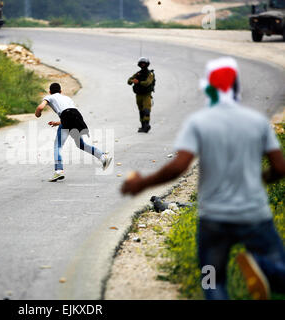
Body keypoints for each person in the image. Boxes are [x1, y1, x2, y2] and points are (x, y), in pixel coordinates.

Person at [121, 57, 285, 300]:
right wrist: (257, 178)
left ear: (208, 88)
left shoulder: (199, 123)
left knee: (211, 278)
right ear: (237, 87)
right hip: (254, 214)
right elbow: (280, 168)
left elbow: (178, 166)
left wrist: (141, 183)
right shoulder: (258, 122)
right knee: (279, 269)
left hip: (213, 220)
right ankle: (268, 270)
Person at [35, 83, 113, 182]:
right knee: (81, 144)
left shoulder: (49, 97)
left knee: (57, 146)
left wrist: (37, 113)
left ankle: (59, 171)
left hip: (67, 117)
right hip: (77, 117)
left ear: (50, 92)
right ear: (61, 91)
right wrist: (58, 123)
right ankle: (102, 156)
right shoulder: (67, 98)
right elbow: (71, 114)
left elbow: (40, 107)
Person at [127, 57, 156, 133]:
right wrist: (133, 80)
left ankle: (147, 125)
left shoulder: (150, 74)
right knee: (141, 111)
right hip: (138, 95)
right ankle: (143, 125)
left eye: (144, 63)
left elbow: (147, 83)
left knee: (146, 110)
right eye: (141, 64)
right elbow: (129, 81)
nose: (142, 65)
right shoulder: (138, 73)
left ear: (147, 64)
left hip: (146, 95)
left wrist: (138, 82)